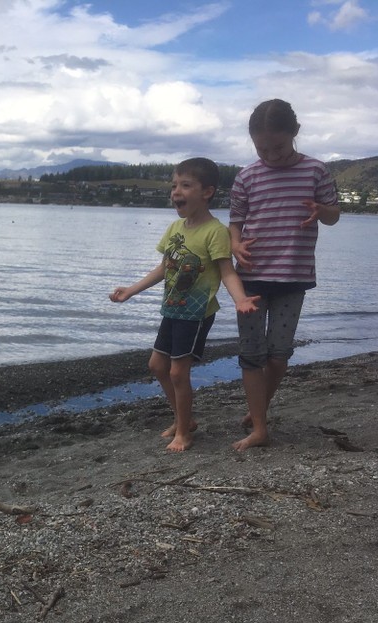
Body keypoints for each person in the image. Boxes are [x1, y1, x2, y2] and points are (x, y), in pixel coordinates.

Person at [110, 158, 259, 452]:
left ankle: (184, 433)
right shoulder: (175, 227)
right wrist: (131, 290)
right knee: (157, 365)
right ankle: (184, 421)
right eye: (174, 185)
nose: (176, 191)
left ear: (207, 192)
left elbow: (227, 271)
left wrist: (240, 299)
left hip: (196, 313)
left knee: (179, 372)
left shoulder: (215, 231)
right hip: (172, 308)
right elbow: (163, 268)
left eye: (186, 185)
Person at [229, 99, 341, 451]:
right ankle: (260, 427)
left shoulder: (315, 171)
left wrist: (323, 210)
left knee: (278, 353)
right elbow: (235, 221)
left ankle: (259, 408)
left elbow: (334, 215)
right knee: (251, 352)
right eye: (262, 148)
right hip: (252, 275)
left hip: (293, 275)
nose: (271, 155)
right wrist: (235, 245)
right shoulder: (247, 175)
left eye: (278, 147)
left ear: (294, 133)